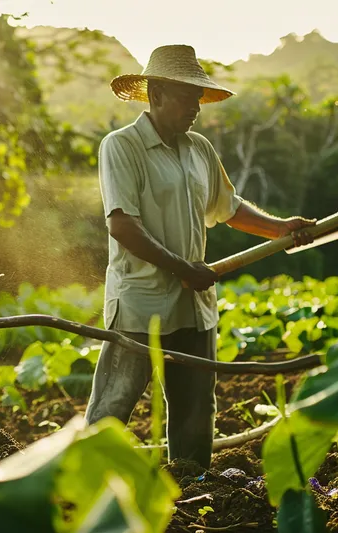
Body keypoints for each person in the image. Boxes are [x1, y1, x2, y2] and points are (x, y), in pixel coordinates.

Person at [84, 44, 316, 469]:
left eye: (198, 97)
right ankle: (82, 489)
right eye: (186, 96)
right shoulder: (121, 146)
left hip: (193, 306)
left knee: (195, 411)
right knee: (114, 403)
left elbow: (227, 207)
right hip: (141, 302)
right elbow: (121, 225)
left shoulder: (199, 150)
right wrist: (181, 268)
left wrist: (279, 228)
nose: (195, 106)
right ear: (156, 95)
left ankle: (191, 489)